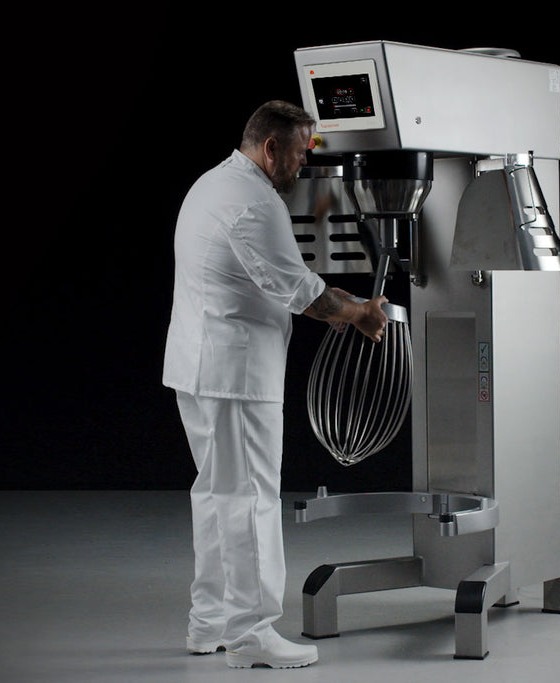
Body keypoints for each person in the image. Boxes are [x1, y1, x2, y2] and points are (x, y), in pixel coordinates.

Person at [162, 100, 388, 669]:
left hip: (199, 366)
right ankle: (252, 634)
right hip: (235, 375)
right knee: (250, 500)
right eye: (299, 152)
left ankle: (208, 622)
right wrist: (361, 311)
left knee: (216, 495)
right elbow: (304, 292)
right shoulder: (253, 202)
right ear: (270, 148)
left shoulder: (212, 183)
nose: (303, 165)